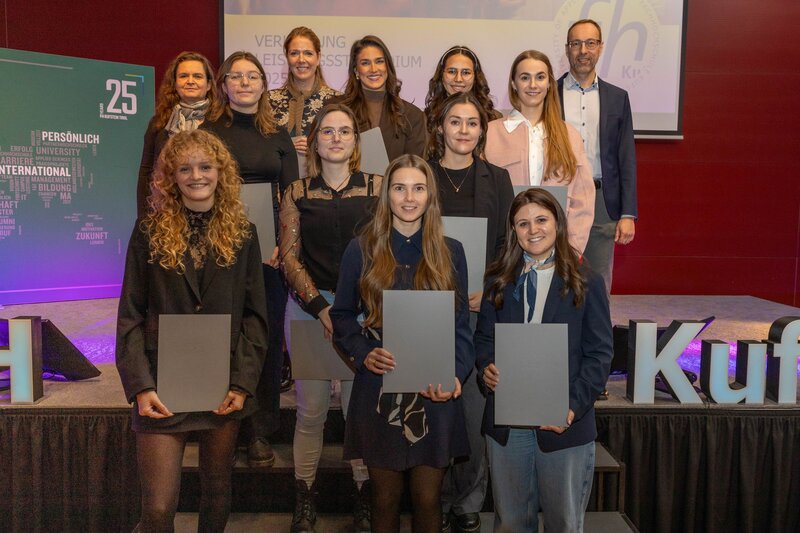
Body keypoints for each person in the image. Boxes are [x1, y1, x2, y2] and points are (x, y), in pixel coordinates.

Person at [116, 129, 268, 532]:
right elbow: (130, 314)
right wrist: (140, 386)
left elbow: (256, 317)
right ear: (171, 176)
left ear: (221, 171)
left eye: (205, 166)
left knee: (216, 492)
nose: (196, 175)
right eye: (185, 168)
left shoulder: (244, 234)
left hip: (223, 385)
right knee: (159, 509)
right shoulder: (147, 232)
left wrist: (242, 383)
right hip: (161, 387)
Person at [330, 155, 473, 533]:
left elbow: (461, 326)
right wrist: (363, 352)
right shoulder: (360, 249)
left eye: (418, 188)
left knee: (429, 500)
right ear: (386, 196)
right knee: (384, 499)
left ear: (430, 197)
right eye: (399, 188)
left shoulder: (451, 251)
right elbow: (342, 315)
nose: (409, 198)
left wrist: (456, 374)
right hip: (380, 389)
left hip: (434, 391)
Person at [475, 188, 613, 532]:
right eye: (522, 223)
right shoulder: (499, 280)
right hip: (508, 424)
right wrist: (486, 369)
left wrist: (571, 406)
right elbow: (483, 339)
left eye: (541, 220)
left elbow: (599, 355)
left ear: (557, 224)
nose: (532, 230)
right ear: (513, 231)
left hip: (564, 421)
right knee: (510, 523)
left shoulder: (586, 282)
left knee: (563, 524)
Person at [279, 104, 380, 532]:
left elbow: (384, 253)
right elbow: (288, 256)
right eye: (327, 132)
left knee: (361, 412)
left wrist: (355, 311)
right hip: (307, 310)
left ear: (356, 141)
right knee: (311, 412)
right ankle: (305, 497)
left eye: (345, 131)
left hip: (365, 313)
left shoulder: (378, 187)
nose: (336, 138)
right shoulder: (297, 192)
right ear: (314, 142)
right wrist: (321, 308)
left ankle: (365, 498)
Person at [202, 50, 299, 468]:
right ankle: (222, 425)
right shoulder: (206, 133)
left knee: (265, 337)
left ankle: (260, 430)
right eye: (236, 76)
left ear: (263, 84)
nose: (244, 83)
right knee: (224, 335)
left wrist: (285, 243)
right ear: (223, 84)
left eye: (252, 76)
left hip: (268, 254)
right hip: (216, 252)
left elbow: (294, 198)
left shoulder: (278, 135)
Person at [426, 91, 513, 532]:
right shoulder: (421, 176)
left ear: (482, 130)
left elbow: (506, 246)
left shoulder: (497, 180)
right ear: (440, 126)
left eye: (472, 123)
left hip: (479, 310)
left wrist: (488, 285)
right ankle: (430, 498)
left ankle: (467, 499)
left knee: (474, 409)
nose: (463, 130)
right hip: (427, 307)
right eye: (455, 122)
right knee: (434, 404)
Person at [484, 50, 595, 254]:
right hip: (505, 250)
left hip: (559, 250)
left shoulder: (569, 135)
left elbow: (583, 198)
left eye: (540, 77)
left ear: (549, 84)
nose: (533, 85)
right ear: (513, 84)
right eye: (525, 77)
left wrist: (573, 249)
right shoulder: (491, 133)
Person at [558, 18, 638, 294]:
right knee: (557, 274)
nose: (583, 50)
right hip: (559, 197)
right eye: (576, 43)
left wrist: (628, 213)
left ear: (601, 47)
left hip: (603, 200)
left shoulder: (618, 97)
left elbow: (625, 157)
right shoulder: (548, 95)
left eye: (590, 43)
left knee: (599, 281)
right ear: (567, 49)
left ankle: (596, 336)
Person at [136, 51, 218, 218]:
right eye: (183, 76)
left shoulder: (221, 122)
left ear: (209, 84)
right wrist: (144, 218)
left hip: (212, 213)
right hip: (166, 210)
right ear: (175, 83)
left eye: (197, 76)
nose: (190, 81)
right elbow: (146, 172)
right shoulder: (159, 123)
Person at [334, 35, 426, 160]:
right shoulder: (335, 109)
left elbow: (413, 166)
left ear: (387, 66)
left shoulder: (412, 115)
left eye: (379, 61)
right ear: (356, 70)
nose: (373, 69)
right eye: (365, 63)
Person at [269, 26, 342, 159]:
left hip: (324, 177)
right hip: (281, 177)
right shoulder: (268, 101)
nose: (301, 59)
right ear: (287, 57)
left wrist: (317, 148)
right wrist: (287, 146)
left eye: (308, 53)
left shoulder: (338, 101)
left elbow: (347, 146)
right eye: (294, 53)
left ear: (318, 58)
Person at [424, 45, 501, 145]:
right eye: (451, 71)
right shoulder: (426, 119)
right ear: (441, 76)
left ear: (475, 77)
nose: (458, 79)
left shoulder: (493, 118)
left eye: (466, 72)